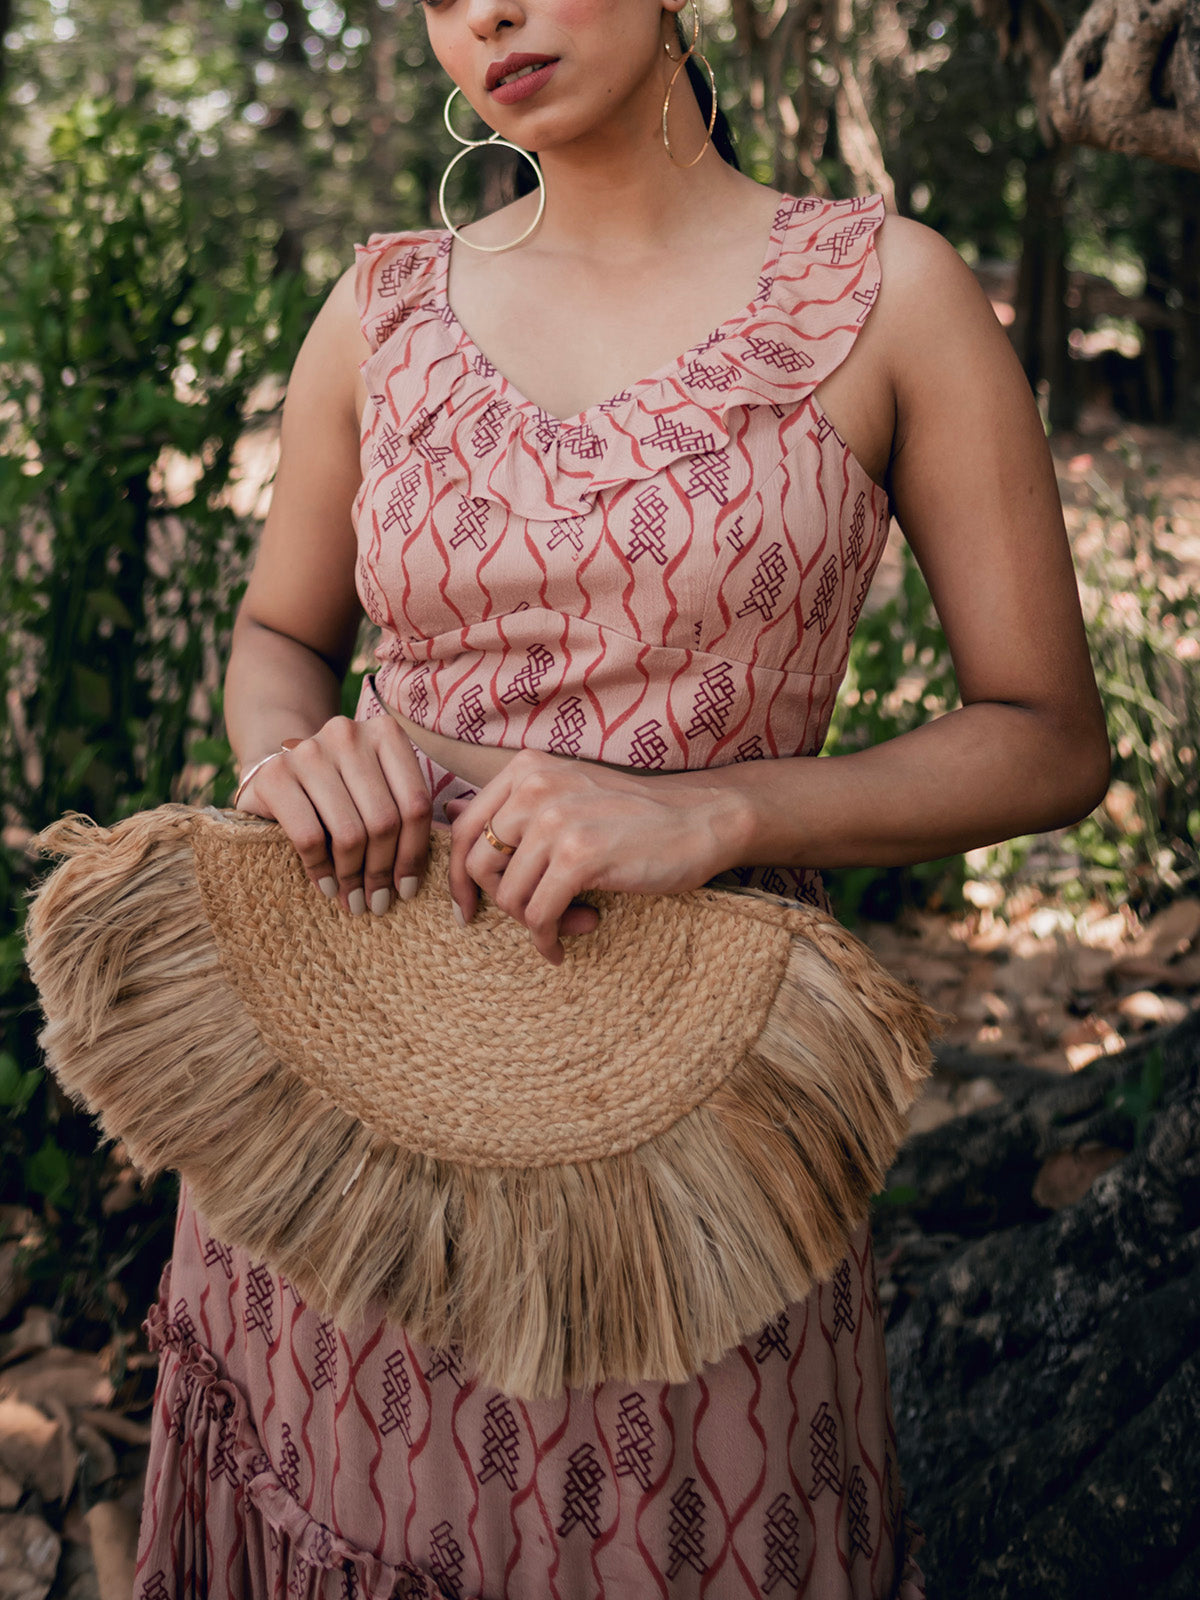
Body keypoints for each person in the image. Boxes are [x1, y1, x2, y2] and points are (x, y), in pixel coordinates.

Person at [132, 0, 1110, 1594]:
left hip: (693, 1125)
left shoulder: (890, 292)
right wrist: (288, 760)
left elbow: (1050, 738)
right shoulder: (384, 307)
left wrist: (722, 814)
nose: (488, 13)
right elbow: (278, 638)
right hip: (345, 1085)